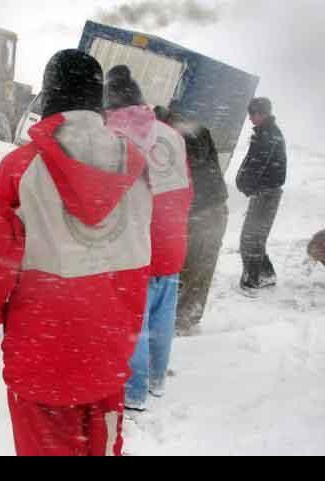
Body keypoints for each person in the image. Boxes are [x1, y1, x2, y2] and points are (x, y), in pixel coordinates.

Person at [0, 50, 153, 456]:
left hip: (43, 361)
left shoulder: (21, 169)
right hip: (108, 355)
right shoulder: (136, 169)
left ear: (50, 94)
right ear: (96, 98)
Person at [105, 66, 192, 411]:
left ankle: (134, 392)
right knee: (161, 317)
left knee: (133, 324)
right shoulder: (171, 134)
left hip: (141, 243)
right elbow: (187, 187)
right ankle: (156, 379)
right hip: (174, 239)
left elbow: (114, 197)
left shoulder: (119, 135)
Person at [164, 109, 229, 335]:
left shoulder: (184, 137)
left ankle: (185, 321)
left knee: (198, 268)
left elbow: (191, 164)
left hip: (207, 211)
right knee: (188, 267)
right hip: (201, 210)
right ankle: (179, 317)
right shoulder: (194, 132)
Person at [236, 98, 287, 294]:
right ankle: (266, 274)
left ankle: (253, 280)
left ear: (261, 114)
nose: (250, 119)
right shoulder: (267, 133)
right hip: (266, 192)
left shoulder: (267, 135)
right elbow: (255, 163)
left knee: (250, 237)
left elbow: (257, 165)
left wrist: (245, 184)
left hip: (266, 193)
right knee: (255, 236)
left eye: (252, 114)